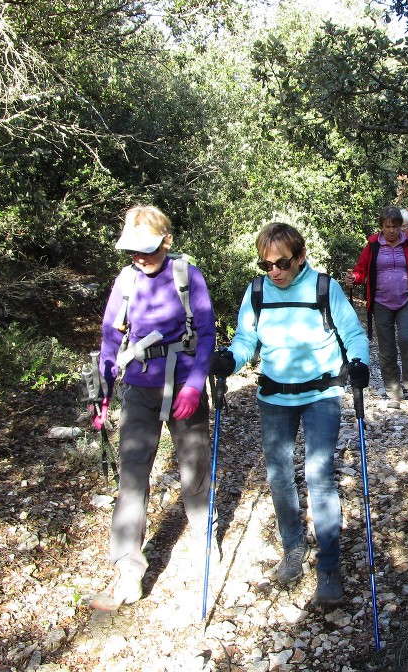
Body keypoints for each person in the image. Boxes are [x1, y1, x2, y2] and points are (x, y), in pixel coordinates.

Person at [209, 223, 370, 608]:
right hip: (274, 396)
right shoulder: (258, 291)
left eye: (282, 263)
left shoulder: (324, 288)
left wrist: (360, 362)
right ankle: (293, 548)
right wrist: (230, 360)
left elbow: (352, 333)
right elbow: (246, 340)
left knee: (319, 476)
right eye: (266, 265)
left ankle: (329, 565)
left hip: (322, 394)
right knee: (279, 477)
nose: (274, 271)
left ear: (299, 256)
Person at [91, 205, 216, 611]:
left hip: (183, 383)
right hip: (140, 389)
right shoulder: (126, 280)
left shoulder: (186, 274)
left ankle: (203, 539)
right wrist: (104, 390)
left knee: (194, 467)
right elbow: (111, 338)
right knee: (132, 476)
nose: (140, 258)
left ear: (166, 240)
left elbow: (208, 332)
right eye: (132, 250)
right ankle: (128, 570)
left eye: (147, 249)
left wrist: (195, 384)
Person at [352, 206, 408, 411]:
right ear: (381, 227)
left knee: (406, 339)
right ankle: (394, 392)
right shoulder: (372, 246)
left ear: (400, 227)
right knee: (386, 349)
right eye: (387, 226)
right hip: (381, 302)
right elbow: (361, 270)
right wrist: (354, 278)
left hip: (406, 300)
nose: (391, 231)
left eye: (394, 226)